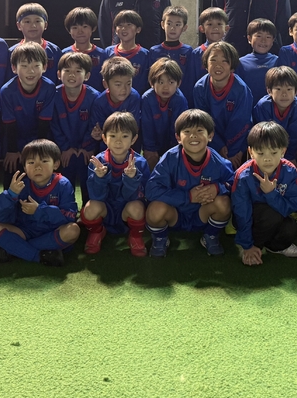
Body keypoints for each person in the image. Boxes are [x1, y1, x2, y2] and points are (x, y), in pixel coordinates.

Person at [145, 109, 235, 258]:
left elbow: (233, 183)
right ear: (178, 138)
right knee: (154, 210)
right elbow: (151, 190)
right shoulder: (169, 159)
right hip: (174, 214)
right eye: (187, 131)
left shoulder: (219, 162)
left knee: (224, 203)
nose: (193, 135)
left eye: (200, 131)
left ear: (210, 136)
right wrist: (188, 197)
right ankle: (160, 239)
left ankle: (210, 235)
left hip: (202, 214)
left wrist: (217, 188)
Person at [0, 140, 80, 266]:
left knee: (73, 230)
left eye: (44, 161)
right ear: (25, 167)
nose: (37, 167)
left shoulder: (63, 184)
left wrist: (39, 210)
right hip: (25, 232)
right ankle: (40, 255)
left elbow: (69, 217)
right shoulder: (21, 186)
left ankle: (15, 249)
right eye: (31, 162)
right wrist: (10, 195)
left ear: (56, 164)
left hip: (51, 233)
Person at [231, 122, 297, 265]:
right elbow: (241, 212)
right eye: (260, 153)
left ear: (283, 151)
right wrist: (247, 245)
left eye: (273, 152)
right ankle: (252, 247)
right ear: (251, 152)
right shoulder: (243, 176)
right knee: (270, 215)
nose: (267, 158)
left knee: (290, 229)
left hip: (277, 215)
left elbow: (295, 204)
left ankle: (274, 247)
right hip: (250, 219)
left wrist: (271, 193)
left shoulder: (290, 171)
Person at [80, 111, 150, 257]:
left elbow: (136, 197)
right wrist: (100, 177)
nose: (118, 141)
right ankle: (97, 232)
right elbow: (96, 196)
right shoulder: (97, 162)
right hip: (106, 208)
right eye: (113, 136)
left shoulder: (140, 163)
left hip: (126, 209)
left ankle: (135, 236)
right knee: (91, 208)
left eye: (124, 136)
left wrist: (131, 178)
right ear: (104, 138)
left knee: (137, 207)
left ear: (134, 139)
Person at [0, 42, 56, 187]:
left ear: (44, 67)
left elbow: (44, 123)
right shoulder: (7, 91)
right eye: (24, 66)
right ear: (14, 68)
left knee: (41, 180)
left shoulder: (49, 88)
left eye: (36, 66)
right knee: (12, 175)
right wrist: (12, 150)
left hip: (39, 139)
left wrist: (37, 153)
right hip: (14, 141)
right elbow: (9, 124)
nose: (30, 71)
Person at [193, 41, 253, 167]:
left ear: (232, 66)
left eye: (224, 61)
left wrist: (233, 152)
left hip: (238, 144)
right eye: (213, 60)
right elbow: (203, 121)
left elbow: (241, 123)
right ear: (206, 64)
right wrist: (219, 146)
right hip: (212, 141)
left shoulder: (241, 90)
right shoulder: (200, 88)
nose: (218, 65)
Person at [51, 52, 99, 204]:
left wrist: (87, 147)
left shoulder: (94, 97)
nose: (72, 75)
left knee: (87, 173)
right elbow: (53, 125)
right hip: (63, 149)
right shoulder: (53, 95)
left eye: (78, 71)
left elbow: (94, 126)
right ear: (59, 74)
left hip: (86, 149)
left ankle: (87, 210)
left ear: (87, 75)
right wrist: (65, 148)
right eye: (67, 70)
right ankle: (67, 209)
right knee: (65, 174)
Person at [252, 66, 297, 165]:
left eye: (289, 89)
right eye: (278, 89)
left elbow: (295, 136)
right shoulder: (263, 106)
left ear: (296, 92)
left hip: (291, 151)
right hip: (266, 150)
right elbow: (263, 136)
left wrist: (290, 157)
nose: (284, 94)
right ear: (269, 91)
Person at [140, 58, 189, 170]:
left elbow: (178, 127)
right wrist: (150, 149)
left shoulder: (180, 100)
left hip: (173, 141)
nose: (166, 87)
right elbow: (147, 127)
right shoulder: (147, 99)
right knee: (151, 159)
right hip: (153, 141)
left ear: (178, 83)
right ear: (152, 83)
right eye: (161, 82)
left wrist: (175, 150)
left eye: (171, 82)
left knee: (174, 163)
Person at [148, 5, 196, 103]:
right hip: (158, 101)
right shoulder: (154, 51)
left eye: (178, 24)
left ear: (184, 27)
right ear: (162, 25)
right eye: (169, 23)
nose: (173, 28)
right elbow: (151, 78)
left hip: (182, 100)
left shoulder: (188, 51)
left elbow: (190, 80)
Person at [10, 3, 61, 84]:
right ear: (19, 25)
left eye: (37, 21)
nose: (33, 25)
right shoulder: (12, 52)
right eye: (27, 21)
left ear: (45, 25)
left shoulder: (54, 51)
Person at [105, 10, 152, 95]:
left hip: (137, 100)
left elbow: (147, 82)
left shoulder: (145, 54)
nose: (124, 28)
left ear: (138, 29)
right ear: (115, 30)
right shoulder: (107, 52)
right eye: (120, 25)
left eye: (129, 25)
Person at [63, 6, 108, 92]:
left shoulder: (103, 55)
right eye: (75, 28)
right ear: (69, 30)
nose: (80, 32)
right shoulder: (64, 54)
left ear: (93, 28)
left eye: (85, 26)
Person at [237, 18, 279, 105]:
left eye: (268, 37)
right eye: (259, 36)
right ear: (249, 38)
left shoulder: (278, 61)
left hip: (272, 109)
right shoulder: (240, 62)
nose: (263, 40)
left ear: (272, 41)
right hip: (247, 107)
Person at [189, 7, 229, 89]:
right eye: (210, 24)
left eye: (219, 24)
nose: (215, 28)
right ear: (202, 28)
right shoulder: (196, 53)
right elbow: (191, 80)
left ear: (226, 28)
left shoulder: (230, 52)